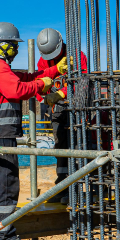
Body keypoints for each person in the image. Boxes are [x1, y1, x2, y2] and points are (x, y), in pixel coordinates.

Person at [0, 22, 67, 240]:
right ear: (3, 46)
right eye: (13, 46)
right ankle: (5, 237)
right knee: (7, 183)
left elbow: (29, 76)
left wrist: (55, 71)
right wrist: (42, 84)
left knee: (1, 183)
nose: (16, 50)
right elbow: (16, 90)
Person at [34, 27, 87, 204]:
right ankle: (62, 187)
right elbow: (38, 82)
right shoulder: (43, 61)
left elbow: (83, 81)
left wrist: (63, 93)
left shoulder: (76, 56)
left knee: (79, 147)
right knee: (61, 149)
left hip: (77, 110)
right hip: (58, 111)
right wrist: (43, 95)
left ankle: (78, 189)